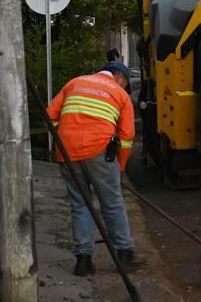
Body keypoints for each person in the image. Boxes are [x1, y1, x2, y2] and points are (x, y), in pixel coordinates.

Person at [46, 61, 138, 276]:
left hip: (66, 152)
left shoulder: (75, 83)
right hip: (99, 151)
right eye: (125, 84)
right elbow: (126, 137)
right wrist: (120, 167)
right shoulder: (120, 94)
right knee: (112, 202)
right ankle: (124, 254)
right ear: (120, 78)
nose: (124, 88)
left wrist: (67, 137)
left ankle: (83, 261)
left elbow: (50, 115)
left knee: (80, 204)